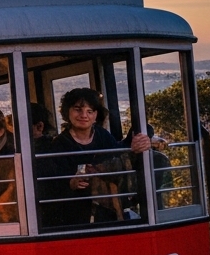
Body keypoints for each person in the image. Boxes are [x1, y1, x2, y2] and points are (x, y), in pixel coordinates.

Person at [41, 87, 151, 227]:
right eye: (78, 109)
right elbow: (52, 184)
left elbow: (117, 155)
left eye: (90, 111)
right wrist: (71, 183)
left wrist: (138, 144)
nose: (83, 115)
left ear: (95, 115)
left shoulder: (102, 135)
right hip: (76, 214)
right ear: (67, 112)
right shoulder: (58, 145)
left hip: (107, 209)